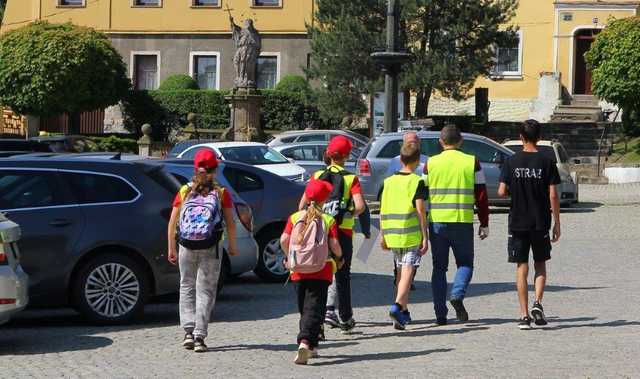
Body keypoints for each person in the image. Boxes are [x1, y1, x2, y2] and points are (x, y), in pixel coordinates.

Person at [167, 149, 238, 353]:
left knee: (186, 285)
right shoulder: (221, 193)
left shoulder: (184, 190)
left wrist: (171, 247)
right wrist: (232, 246)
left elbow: (172, 222)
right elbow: (230, 223)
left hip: (186, 245)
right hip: (211, 246)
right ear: (215, 170)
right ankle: (200, 335)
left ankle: (187, 332)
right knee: (205, 289)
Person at [498, 119, 561, 330]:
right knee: (541, 263)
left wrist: (514, 191)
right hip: (540, 220)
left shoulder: (511, 161)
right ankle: (538, 303)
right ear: (539, 137)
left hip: (517, 220)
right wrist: (557, 223)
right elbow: (553, 195)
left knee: (521, 267)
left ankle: (524, 315)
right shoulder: (547, 162)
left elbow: (500, 191)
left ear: (521, 137)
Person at [299, 135, 365, 333]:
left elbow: (302, 204)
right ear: (346, 156)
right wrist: (349, 212)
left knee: (319, 274)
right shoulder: (350, 178)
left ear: (328, 154)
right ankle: (346, 317)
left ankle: (318, 319)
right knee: (343, 275)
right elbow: (360, 206)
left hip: (318, 229)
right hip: (342, 230)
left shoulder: (317, 176)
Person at [425, 125, 489, 325]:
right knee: (465, 264)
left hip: (437, 222)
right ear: (461, 141)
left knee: (439, 268)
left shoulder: (430, 163)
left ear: (441, 142)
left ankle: (440, 315)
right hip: (462, 221)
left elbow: (422, 195)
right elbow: (481, 195)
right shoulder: (472, 162)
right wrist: (484, 222)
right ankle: (457, 294)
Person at [281, 180, 343, 365]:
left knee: (304, 308)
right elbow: (334, 246)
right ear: (325, 200)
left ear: (307, 197)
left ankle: (313, 345)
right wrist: (340, 257)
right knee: (315, 308)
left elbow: (284, 239)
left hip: (298, 270)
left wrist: (289, 257)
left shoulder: (294, 217)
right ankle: (305, 341)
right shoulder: (327, 219)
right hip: (321, 269)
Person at [380, 143, 429, 330]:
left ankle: (403, 312)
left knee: (401, 270)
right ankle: (397, 305)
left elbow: (383, 210)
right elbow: (420, 210)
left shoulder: (388, 182)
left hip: (392, 232)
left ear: (400, 160)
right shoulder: (417, 181)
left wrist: (383, 234)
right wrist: (425, 236)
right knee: (409, 269)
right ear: (418, 162)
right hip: (410, 232)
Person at [385, 132, 428, 291]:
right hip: (400, 210)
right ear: (403, 144)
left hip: (420, 206)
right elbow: (389, 183)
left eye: (415, 141)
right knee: (400, 246)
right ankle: (401, 276)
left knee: (415, 247)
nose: (413, 144)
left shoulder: (426, 161)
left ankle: (408, 277)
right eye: (410, 142)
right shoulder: (396, 161)